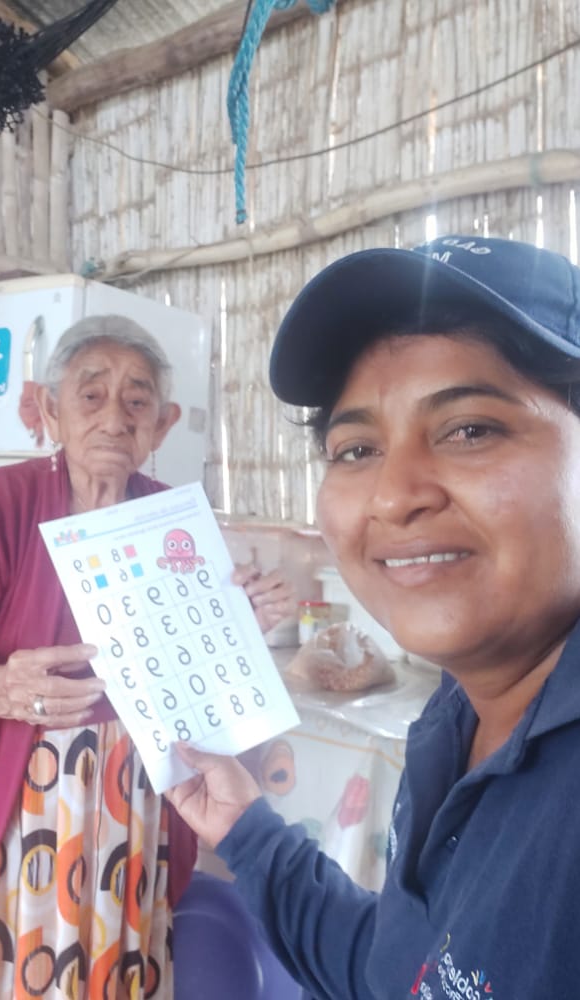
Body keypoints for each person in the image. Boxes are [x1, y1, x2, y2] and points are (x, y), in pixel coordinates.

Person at [166, 235, 580, 1000]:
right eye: (356, 449)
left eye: (470, 429)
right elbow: (401, 971)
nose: (393, 496)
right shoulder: (457, 716)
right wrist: (247, 833)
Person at [0, 313, 294, 1000]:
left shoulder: (173, 519)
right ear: (51, 410)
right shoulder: (4, 503)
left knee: (108, 969)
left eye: (137, 401)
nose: (114, 417)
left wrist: (238, 626)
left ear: (162, 425)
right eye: (91, 394)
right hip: (6, 809)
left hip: (132, 806)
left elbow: (194, 672)